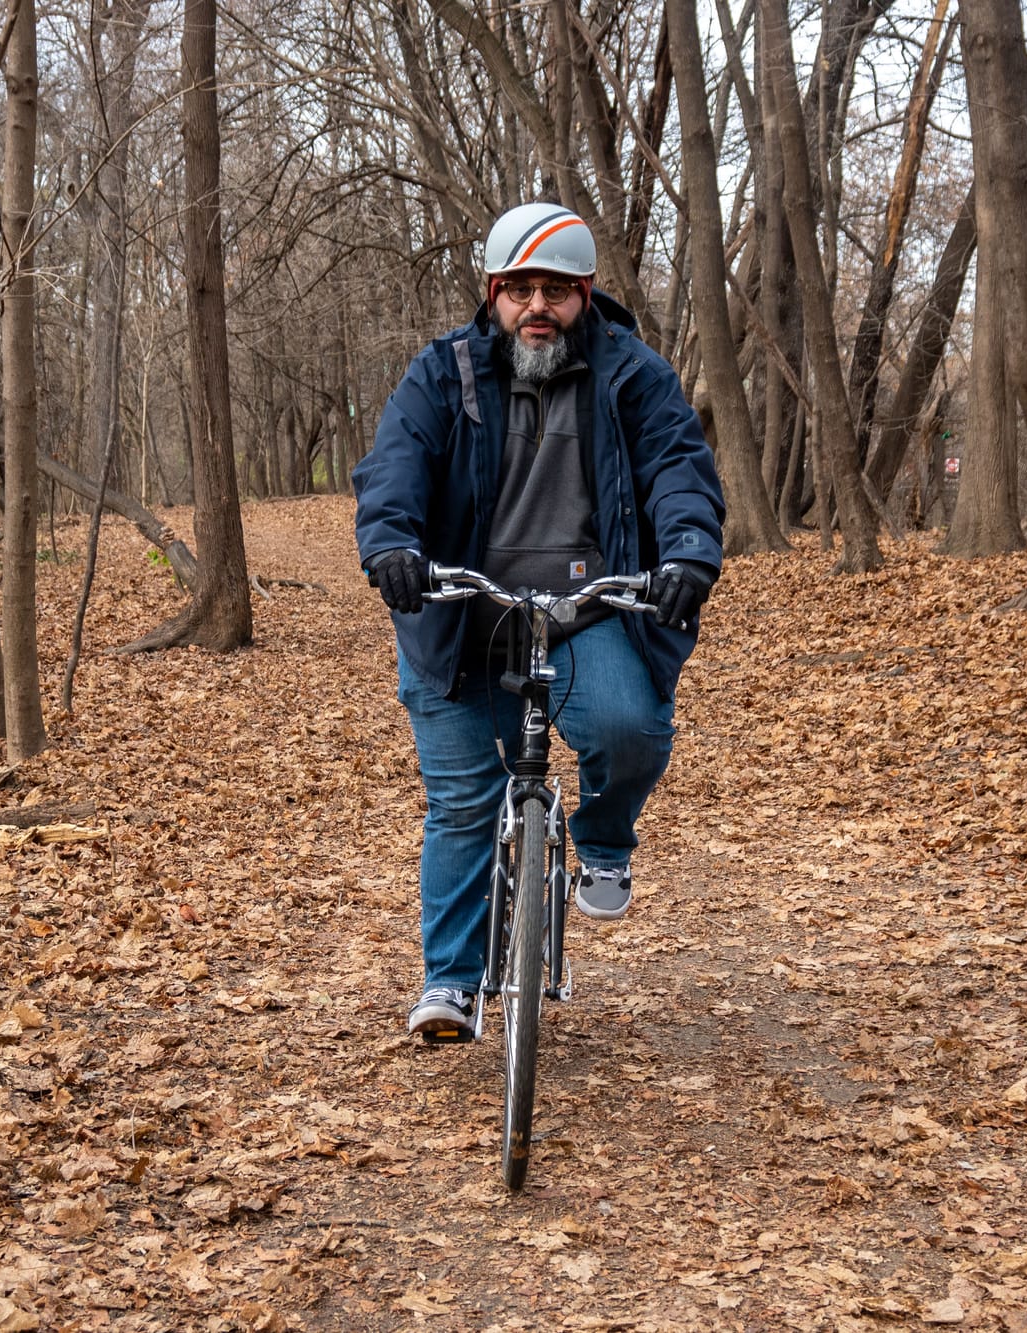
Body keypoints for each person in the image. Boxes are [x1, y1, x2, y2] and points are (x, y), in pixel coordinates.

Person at [353, 201, 726, 1039]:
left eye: (555, 289)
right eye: (519, 289)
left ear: (586, 295)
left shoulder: (633, 374)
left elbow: (677, 466)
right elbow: (395, 467)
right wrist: (391, 547)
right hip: (461, 610)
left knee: (631, 725)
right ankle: (450, 981)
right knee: (460, 800)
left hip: (587, 607)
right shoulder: (442, 373)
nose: (537, 307)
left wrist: (689, 552)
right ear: (492, 295)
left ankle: (601, 838)